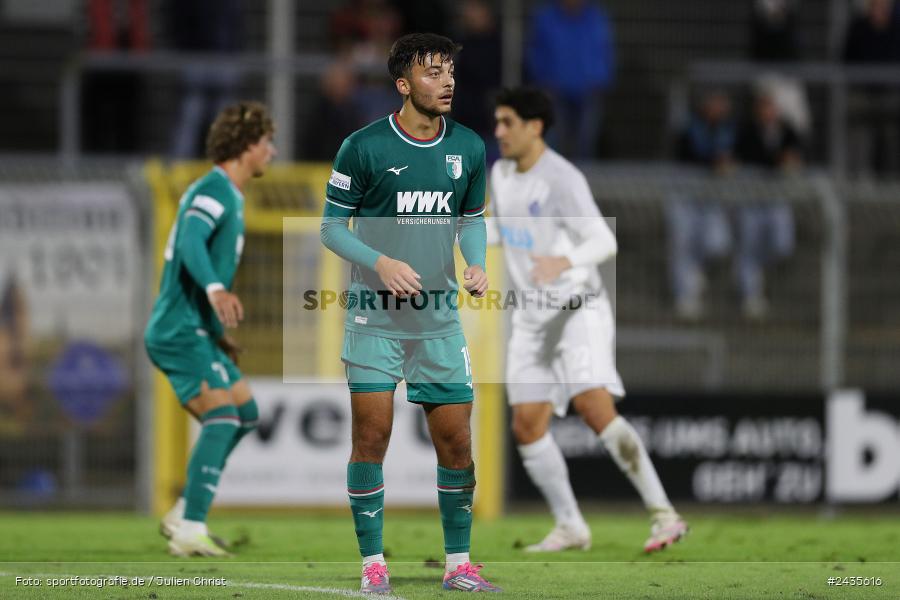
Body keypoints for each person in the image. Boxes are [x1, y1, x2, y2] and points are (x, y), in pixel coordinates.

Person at [319, 33, 501, 594]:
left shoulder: (469, 147)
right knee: (371, 437)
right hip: (375, 319)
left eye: (449, 71)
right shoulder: (363, 146)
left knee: (457, 442)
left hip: (438, 322)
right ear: (403, 85)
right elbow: (331, 228)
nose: (446, 82)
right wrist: (382, 262)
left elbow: (472, 218)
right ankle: (374, 566)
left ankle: (458, 565)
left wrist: (475, 263)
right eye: (432, 72)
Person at [490, 87, 687, 554]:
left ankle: (665, 515)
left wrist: (563, 261)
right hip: (532, 317)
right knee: (526, 425)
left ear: (535, 127)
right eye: (496, 122)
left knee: (594, 407)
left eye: (507, 123)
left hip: (576, 308)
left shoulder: (562, 179)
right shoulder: (499, 173)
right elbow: (503, 227)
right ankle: (571, 526)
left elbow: (602, 240)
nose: (498, 132)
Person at [145, 101, 276, 557]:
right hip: (178, 330)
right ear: (245, 147)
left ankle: (184, 512)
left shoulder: (230, 194)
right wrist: (218, 290)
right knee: (222, 416)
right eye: (266, 143)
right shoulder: (214, 190)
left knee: (245, 412)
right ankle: (191, 527)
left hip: (198, 328)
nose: (272, 152)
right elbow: (189, 240)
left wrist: (216, 329)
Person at [668, 90, 736, 319]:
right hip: (684, 194)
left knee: (717, 242)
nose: (720, 107)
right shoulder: (689, 127)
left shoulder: (729, 128)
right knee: (683, 244)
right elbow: (690, 153)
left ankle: (696, 272)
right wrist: (714, 162)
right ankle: (684, 295)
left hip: (710, 196)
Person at [735, 86, 799, 319]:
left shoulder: (787, 130)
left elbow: (795, 156)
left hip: (776, 198)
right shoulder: (746, 131)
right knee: (748, 247)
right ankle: (750, 295)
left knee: (782, 243)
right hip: (752, 197)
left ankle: (765, 274)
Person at [526, 0, 614, 159]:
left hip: (589, 91)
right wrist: (543, 80)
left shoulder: (595, 17)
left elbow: (604, 51)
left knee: (586, 142)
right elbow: (535, 52)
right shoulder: (545, 17)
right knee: (555, 142)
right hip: (554, 91)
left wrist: (600, 80)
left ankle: (584, 179)